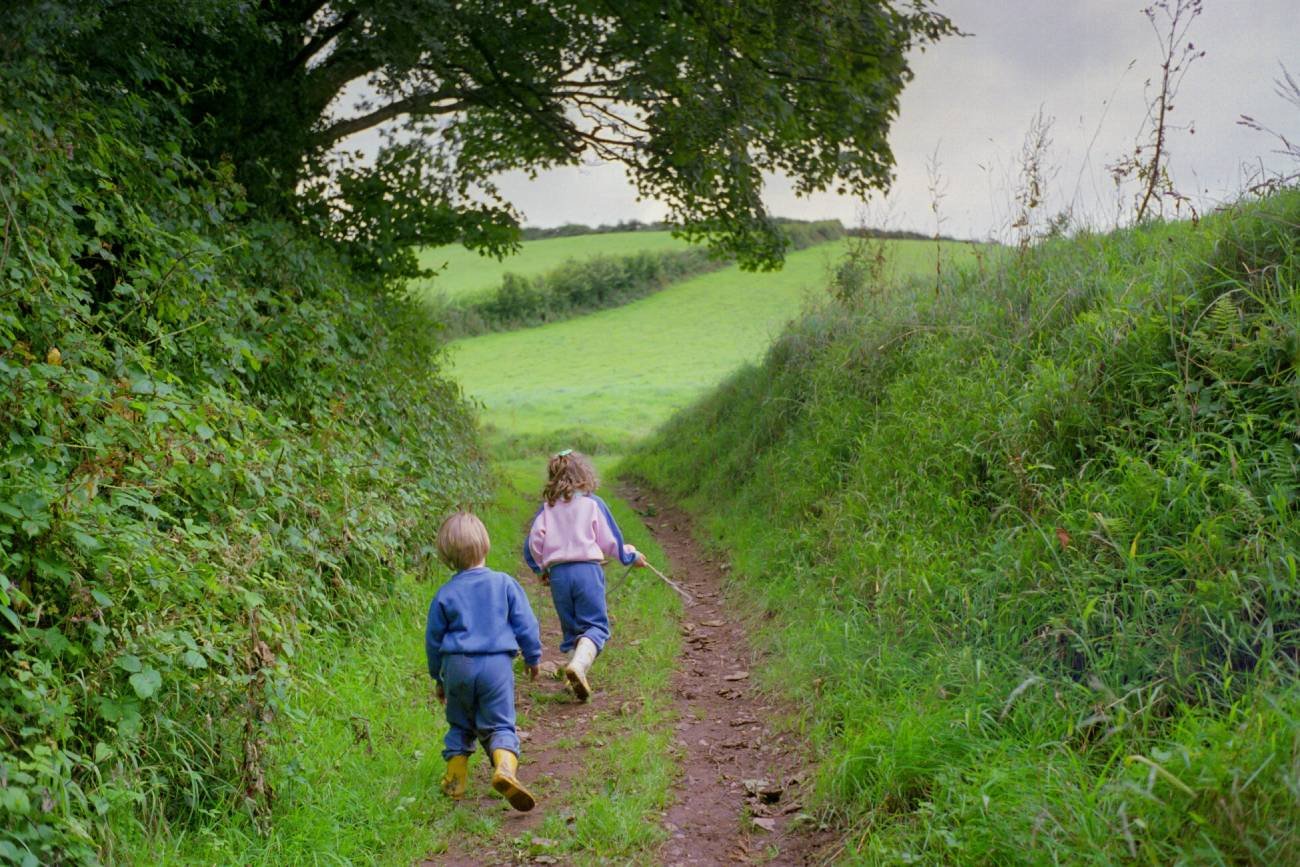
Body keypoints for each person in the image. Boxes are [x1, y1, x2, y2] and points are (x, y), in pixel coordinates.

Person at [426, 511, 542, 811]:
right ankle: (504, 767)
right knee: (501, 725)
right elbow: (526, 625)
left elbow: (434, 641)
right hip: (496, 667)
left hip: (456, 666)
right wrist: (532, 657)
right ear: (485, 545)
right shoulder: (504, 584)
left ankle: (455, 782)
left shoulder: (445, 593)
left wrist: (438, 678)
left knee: (460, 724)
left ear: (447, 556)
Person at [524, 450, 645, 701]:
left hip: (559, 576)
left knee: (572, 631)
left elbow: (532, 546)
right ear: (584, 475)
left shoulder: (547, 509)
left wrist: (541, 569)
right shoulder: (593, 504)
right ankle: (578, 667)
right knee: (596, 627)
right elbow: (610, 539)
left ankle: (573, 675)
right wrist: (630, 556)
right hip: (587, 572)